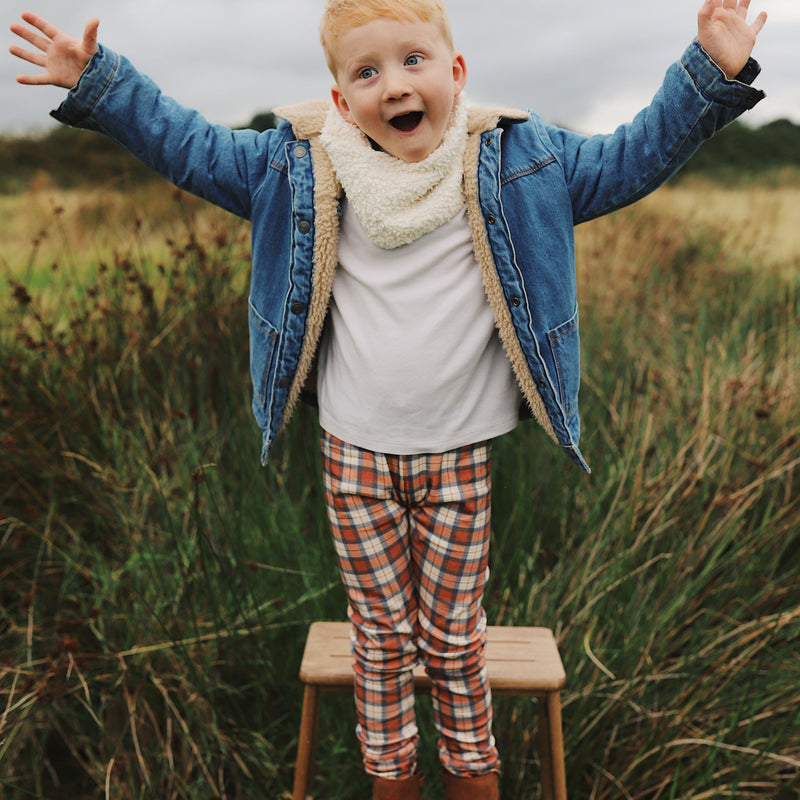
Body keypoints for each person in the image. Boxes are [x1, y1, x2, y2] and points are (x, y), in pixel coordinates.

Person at [10, 1, 767, 797]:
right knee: (379, 640)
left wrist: (708, 71)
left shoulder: (518, 161)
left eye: (413, 61)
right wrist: (101, 79)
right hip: (354, 458)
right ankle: (390, 778)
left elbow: (629, 160)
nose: (395, 85)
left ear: (455, 73)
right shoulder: (300, 166)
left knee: (451, 643)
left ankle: (473, 773)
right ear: (340, 99)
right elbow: (190, 146)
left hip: (458, 460)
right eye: (366, 72)